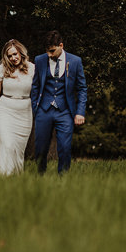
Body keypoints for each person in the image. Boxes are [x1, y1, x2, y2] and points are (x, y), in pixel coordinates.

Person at [31, 30, 87, 174]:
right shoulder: (39, 60)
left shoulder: (75, 61)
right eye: (47, 51)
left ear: (61, 45)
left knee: (65, 147)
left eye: (52, 51)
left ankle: (63, 179)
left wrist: (80, 112)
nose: (49, 54)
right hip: (43, 110)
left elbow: (82, 89)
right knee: (40, 148)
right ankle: (39, 178)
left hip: (65, 112)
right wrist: (35, 108)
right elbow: (35, 86)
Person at [0, 39, 35, 175]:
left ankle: (17, 183)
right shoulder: (2, 69)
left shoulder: (32, 69)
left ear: (21, 52)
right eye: (10, 56)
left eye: (15, 54)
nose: (13, 58)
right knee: (8, 145)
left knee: (19, 151)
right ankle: (5, 179)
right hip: (5, 110)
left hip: (25, 112)